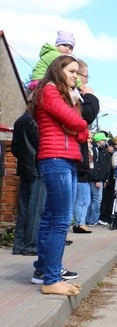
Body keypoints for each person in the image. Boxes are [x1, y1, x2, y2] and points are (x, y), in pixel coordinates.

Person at [30, 55, 88, 295]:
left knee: (52, 217)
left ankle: (44, 269)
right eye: (71, 71)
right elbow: (78, 123)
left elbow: (82, 133)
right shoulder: (50, 91)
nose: (76, 76)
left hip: (66, 159)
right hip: (56, 160)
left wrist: (77, 125)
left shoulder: (65, 96)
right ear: (58, 69)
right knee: (61, 220)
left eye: (77, 72)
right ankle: (52, 280)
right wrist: (76, 124)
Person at [11, 109, 42, 256]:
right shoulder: (36, 120)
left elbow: (14, 148)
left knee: (23, 208)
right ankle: (30, 246)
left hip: (24, 168)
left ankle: (18, 245)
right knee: (36, 209)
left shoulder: (19, 120)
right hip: (37, 168)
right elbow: (41, 145)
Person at [87, 132, 111, 226]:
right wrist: (97, 179)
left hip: (100, 180)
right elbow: (95, 166)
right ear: (99, 140)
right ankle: (93, 220)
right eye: (103, 140)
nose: (105, 142)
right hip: (96, 180)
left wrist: (104, 179)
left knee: (96, 199)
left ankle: (92, 219)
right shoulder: (95, 150)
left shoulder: (101, 151)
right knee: (96, 199)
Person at [72, 133, 94, 234]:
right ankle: (79, 224)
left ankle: (81, 222)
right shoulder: (80, 142)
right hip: (81, 175)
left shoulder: (86, 147)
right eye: (89, 138)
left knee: (86, 201)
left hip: (85, 175)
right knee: (81, 201)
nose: (90, 140)